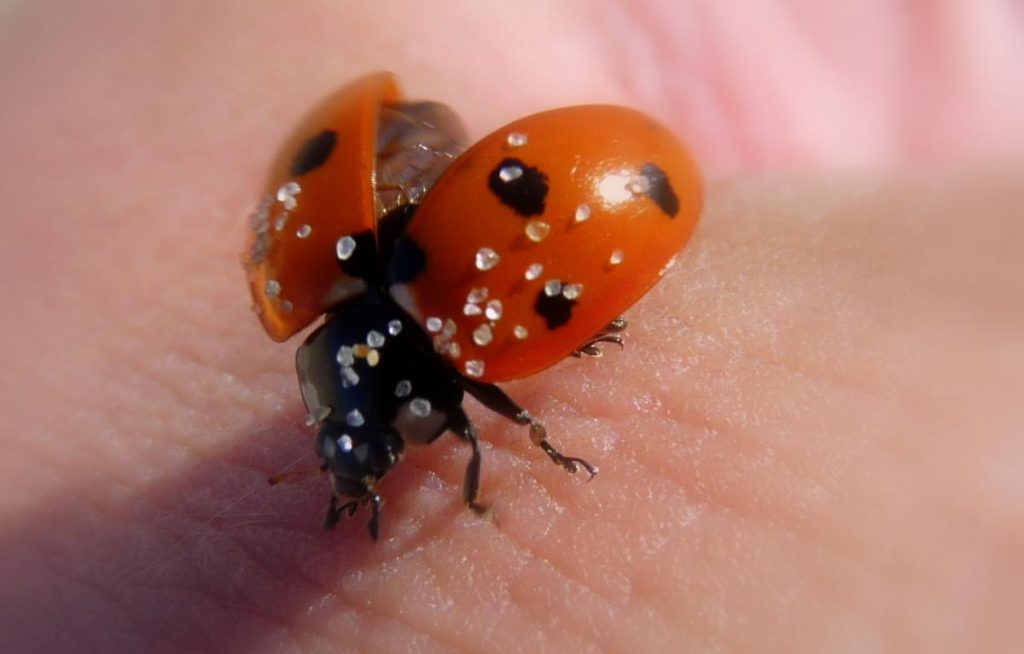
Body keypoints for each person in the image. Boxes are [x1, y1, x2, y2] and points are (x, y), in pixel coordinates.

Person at [1, 2, 1021, 651]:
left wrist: (522, 436)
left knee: (488, 413)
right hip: (398, 215)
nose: (356, 460)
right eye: (353, 447)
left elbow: (451, 413)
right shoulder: (359, 316)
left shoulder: (395, 331)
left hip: (412, 209)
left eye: (344, 443)